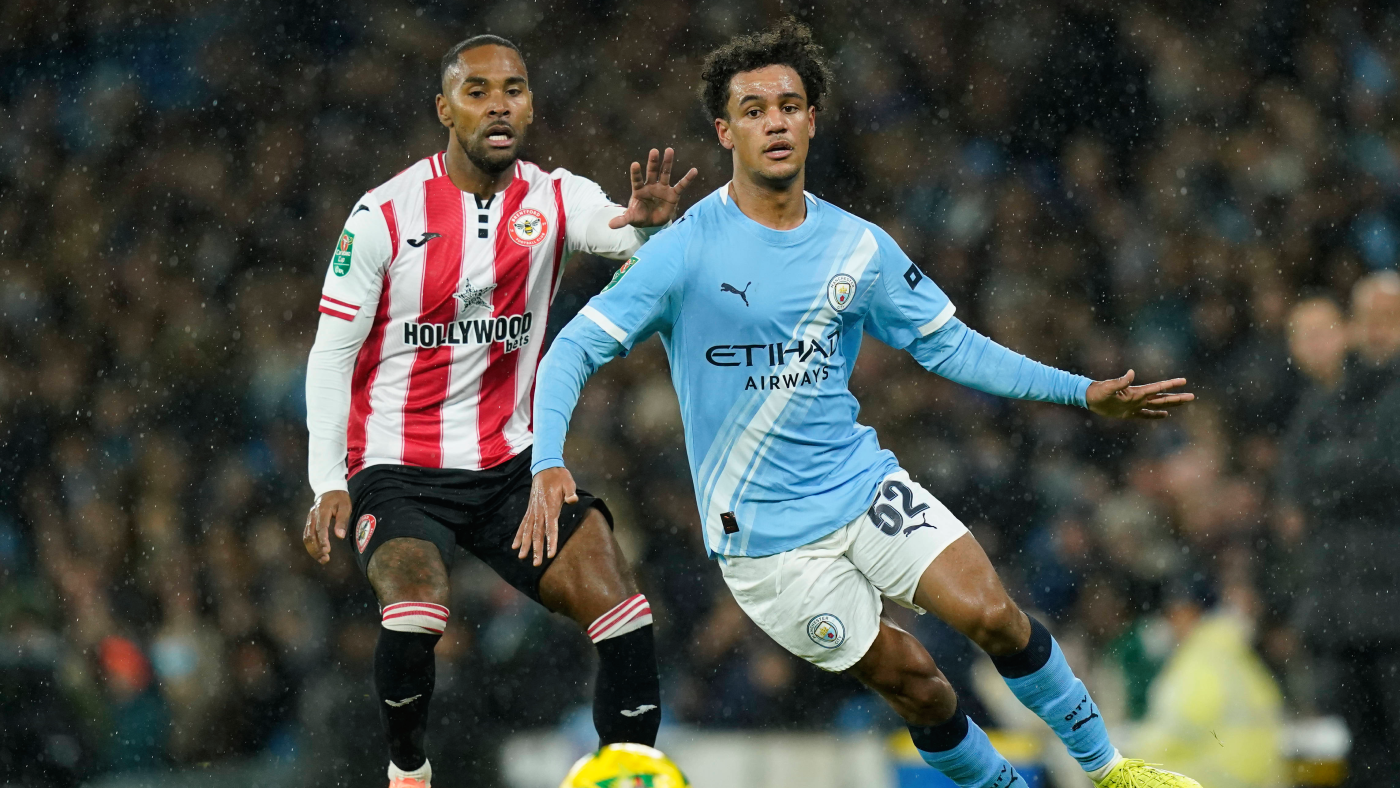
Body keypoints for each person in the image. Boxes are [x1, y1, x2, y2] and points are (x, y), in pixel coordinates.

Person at [522, 20, 1200, 788]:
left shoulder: (858, 246)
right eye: (753, 110)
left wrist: (1081, 392)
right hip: (767, 544)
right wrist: (549, 461)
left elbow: (953, 347)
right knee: (920, 685)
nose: (775, 123)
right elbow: (572, 350)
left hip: (861, 486)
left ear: (813, 119)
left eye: (789, 106)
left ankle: (1111, 771)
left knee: (995, 616)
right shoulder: (682, 249)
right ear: (725, 131)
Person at [301, 35, 695, 788]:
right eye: (477, 91)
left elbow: (619, 231)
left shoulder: (554, 197)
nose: (498, 105)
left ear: (531, 106)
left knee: (625, 613)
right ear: (444, 110)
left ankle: (627, 775)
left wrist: (646, 224)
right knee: (417, 609)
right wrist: (328, 479)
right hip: (398, 465)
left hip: (511, 467)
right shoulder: (383, 214)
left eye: (513, 89)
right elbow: (330, 354)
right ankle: (409, 769)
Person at [1281, 273, 1400, 783]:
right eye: (1368, 319)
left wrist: (1333, 475)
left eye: (1389, 319)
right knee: (1363, 753)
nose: (1377, 330)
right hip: (1344, 612)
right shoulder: (1332, 396)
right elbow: (1297, 480)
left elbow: (1383, 470)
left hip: (1386, 608)